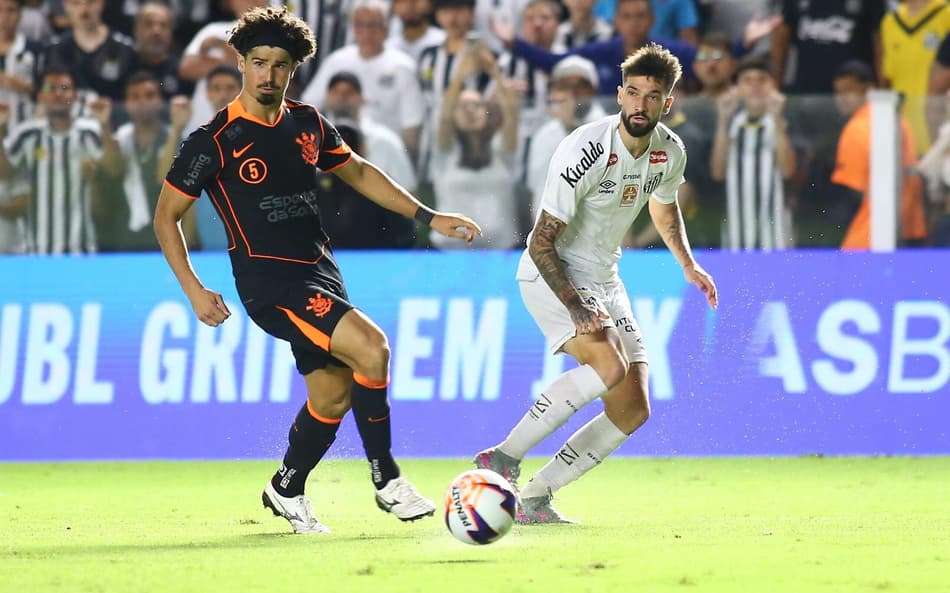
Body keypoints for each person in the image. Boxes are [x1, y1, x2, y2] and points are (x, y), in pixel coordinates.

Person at [153, 6, 482, 534]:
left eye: (280, 65)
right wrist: (193, 289)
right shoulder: (213, 140)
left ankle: (286, 487)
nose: (268, 75)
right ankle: (387, 479)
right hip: (269, 282)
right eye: (259, 62)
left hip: (320, 270)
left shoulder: (307, 122)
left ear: (293, 69)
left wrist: (428, 216)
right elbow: (165, 216)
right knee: (372, 348)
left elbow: (359, 171)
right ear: (241, 63)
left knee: (332, 396)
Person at [474, 42, 717, 523]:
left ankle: (536, 498)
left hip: (605, 276)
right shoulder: (585, 150)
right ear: (620, 94)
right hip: (553, 271)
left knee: (632, 408)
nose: (641, 104)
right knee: (608, 365)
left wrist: (687, 264)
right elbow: (541, 241)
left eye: (653, 96)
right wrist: (576, 306)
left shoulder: (669, 151)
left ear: (667, 102)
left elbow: (664, 207)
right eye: (633, 93)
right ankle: (502, 457)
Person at [0, 66, 120, 254]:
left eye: (65, 88)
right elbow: (4, 174)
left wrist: (104, 125)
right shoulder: (27, 135)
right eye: (50, 88)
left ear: (75, 96)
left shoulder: (89, 132)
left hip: (81, 250)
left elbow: (115, 169)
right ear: (40, 97)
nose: (57, 93)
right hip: (36, 251)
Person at [301, 0, 425, 161]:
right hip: (338, 153)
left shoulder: (403, 66)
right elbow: (307, 107)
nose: (367, 32)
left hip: (385, 155)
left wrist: (407, 162)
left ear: (386, 27)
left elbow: (412, 125)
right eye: (360, 25)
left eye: (373, 25)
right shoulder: (337, 61)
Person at [829, 60, 928, 249]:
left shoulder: (856, 129)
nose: (841, 99)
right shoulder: (897, 120)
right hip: (908, 227)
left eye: (848, 92)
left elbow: (851, 193)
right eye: (838, 92)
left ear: (868, 90)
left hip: (868, 236)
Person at [431, 42, 520, 248]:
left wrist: (494, 71)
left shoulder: (502, 150)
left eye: (477, 105)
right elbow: (444, 115)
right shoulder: (445, 151)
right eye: (462, 106)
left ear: (487, 113)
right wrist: (460, 75)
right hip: (450, 252)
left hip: (501, 252)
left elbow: (511, 115)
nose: (469, 110)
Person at [710, 55, 797, 251]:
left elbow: (788, 171)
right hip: (736, 234)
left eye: (762, 80)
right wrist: (722, 120)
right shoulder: (731, 123)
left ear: (773, 86)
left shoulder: (785, 120)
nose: (755, 86)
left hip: (776, 234)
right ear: (737, 88)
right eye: (747, 81)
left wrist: (778, 120)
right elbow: (718, 172)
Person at [880, 0, 950, 156]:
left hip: (938, 135)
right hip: (901, 137)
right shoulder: (889, 21)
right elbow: (887, 79)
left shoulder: (946, 14)